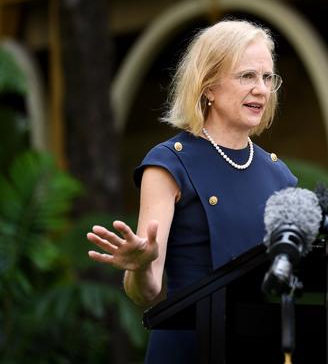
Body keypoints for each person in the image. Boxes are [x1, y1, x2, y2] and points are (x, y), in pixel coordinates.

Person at [86, 20, 297, 363]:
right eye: (247, 76)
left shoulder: (281, 177)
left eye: (267, 77)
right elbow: (148, 291)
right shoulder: (168, 164)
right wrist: (140, 266)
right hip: (189, 349)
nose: (261, 89)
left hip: (258, 349)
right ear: (208, 86)